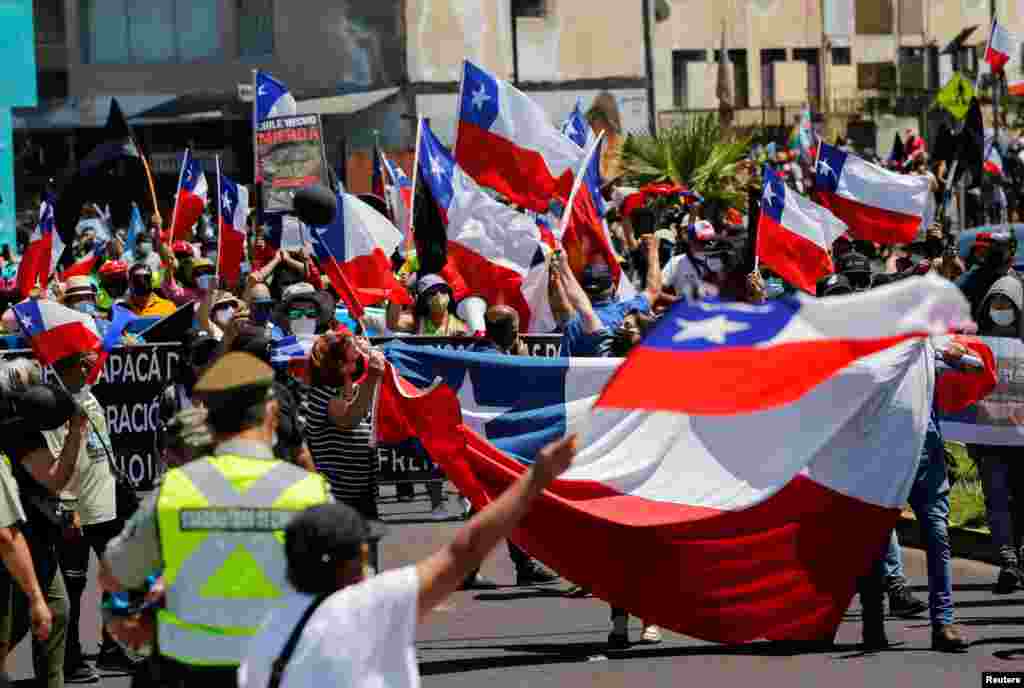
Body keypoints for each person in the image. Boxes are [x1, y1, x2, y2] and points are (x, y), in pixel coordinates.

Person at [237, 434, 577, 688]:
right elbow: (465, 550)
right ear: (350, 565)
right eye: (363, 549)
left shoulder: (263, 637)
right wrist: (536, 478)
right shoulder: (372, 606)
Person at [101, 353, 332, 686]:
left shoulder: (175, 490)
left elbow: (114, 575)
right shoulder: (311, 492)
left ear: (207, 419)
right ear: (271, 413)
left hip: (189, 671)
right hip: (281, 669)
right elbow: (346, 589)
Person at [45, 350, 129, 681]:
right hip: (77, 510)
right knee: (73, 587)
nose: (89, 366)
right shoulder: (53, 405)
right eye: (82, 362)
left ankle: (111, 648)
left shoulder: (90, 396)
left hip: (106, 504)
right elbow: (56, 458)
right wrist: (67, 505)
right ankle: (70, 657)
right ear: (69, 367)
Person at [0, 358, 80, 688]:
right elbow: (55, 479)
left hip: (33, 534)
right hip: (24, 539)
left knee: (54, 613)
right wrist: (77, 431)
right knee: (36, 616)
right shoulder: (20, 430)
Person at [967, 275, 1024, 593]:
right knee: (997, 499)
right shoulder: (974, 343)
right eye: (995, 304)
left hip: (1021, 439)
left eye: (1008, 304)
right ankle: (1008, 561)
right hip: (989, 440)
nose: (1001, 310)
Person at [304, 331, 383, 522]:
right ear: (339, 363)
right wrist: (372, 377)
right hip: (334, 499)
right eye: (352, 346)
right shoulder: (321, 394)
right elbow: (348, 419)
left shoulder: (356, 390)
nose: (358, 346)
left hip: (363, 496)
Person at [387, 274, 469, 336]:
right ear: (424, 301)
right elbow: (393, 324)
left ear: (449, 295)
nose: (439, 295)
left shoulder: (461, 326)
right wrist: (399, 289)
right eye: (432, 293)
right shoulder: (418, 322)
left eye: (443, 290)